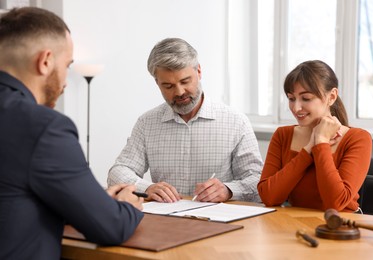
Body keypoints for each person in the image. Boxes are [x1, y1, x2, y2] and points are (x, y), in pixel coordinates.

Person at [0, 7, 144, 259]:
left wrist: (89, 199)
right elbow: (111, 227)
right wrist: (125, 207)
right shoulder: (44, 127)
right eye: (67, 65)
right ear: (45, 61)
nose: (66, 81)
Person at [108, 37, 263, 203]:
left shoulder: (236, 122)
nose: (180, 92)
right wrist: (146, 188)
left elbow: (257, 180)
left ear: (199, 71)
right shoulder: (147, 123)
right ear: (157, 83)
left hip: (219, 220)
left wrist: (228, 190)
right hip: (165, 220)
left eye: (185, 81)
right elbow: (118, 172)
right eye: (168, 86)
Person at [257, 60, 372, 212]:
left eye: (306, 98)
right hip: (293, 225)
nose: (296, 108)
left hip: (340, 227)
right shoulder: (283, 135)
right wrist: (309, 148)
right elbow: (269, 197)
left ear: (331, 97)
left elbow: (335, 203)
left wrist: (321, 143)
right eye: (291, 98)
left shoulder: (358, 138)